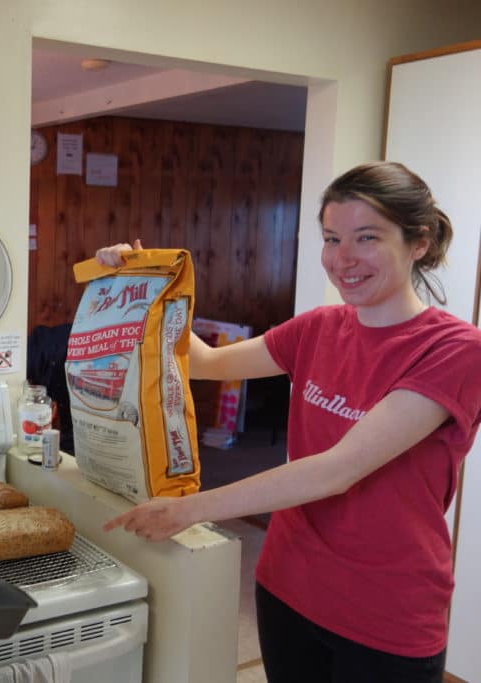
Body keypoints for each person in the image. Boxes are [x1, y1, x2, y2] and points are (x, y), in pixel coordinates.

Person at [99, 161, 481, 683]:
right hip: (288, 587)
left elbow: (336, 471)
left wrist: (190, 509)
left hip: (386, 612)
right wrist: (142, 284)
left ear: (419, 241)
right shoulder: (321, 327)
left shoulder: (454, 350)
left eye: (366, 238)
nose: (342, 259)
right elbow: (207, 363)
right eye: (331, 238)